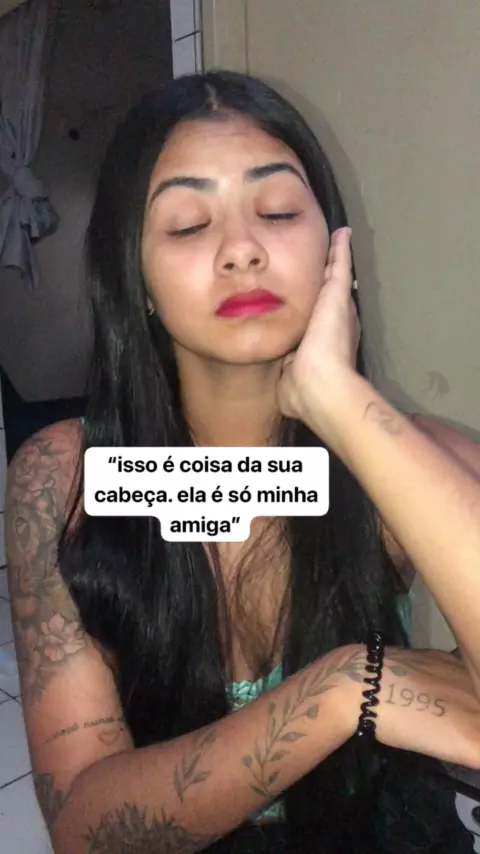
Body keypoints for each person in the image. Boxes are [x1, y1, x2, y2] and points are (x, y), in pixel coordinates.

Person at [5, 71, 480, 854]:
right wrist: (346, 691)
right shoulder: (67, 479)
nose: (242, 251)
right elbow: (85, 827)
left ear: (333, 247)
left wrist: (340, 404)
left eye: (279, 211)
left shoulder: (407, 457)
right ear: (135, 279)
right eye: (189, 224)